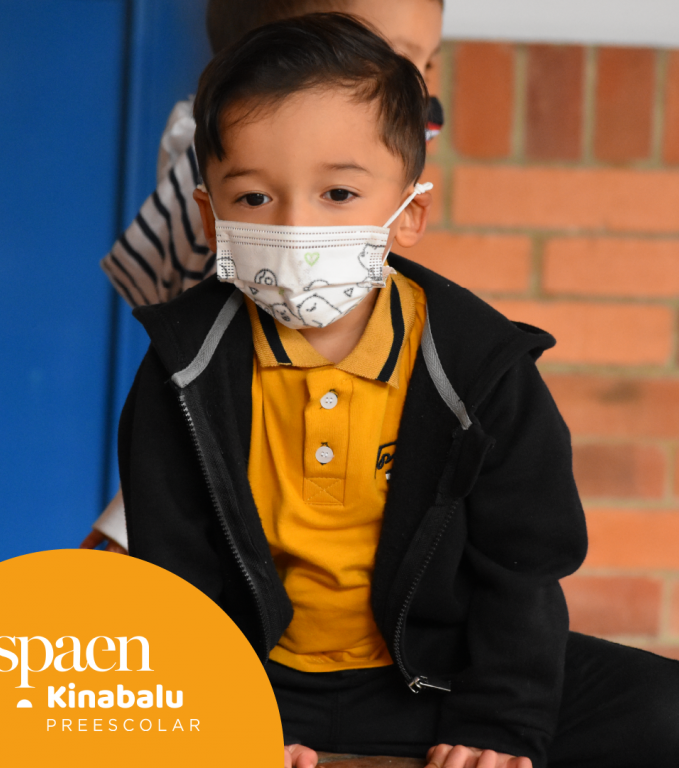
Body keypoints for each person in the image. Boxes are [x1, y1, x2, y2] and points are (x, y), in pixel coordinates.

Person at [118, 13, 679, 768]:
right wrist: (227, 714)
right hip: (267, 685)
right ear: (209, 218)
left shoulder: (480, 366)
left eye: (338, 193)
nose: (297, 226)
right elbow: (176, 573)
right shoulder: (183, 369)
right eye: (253, 199)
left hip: (435, 677)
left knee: (663, 709)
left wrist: (498, 721)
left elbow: (521, 566)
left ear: (408, 213)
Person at [81, 0, 445, 554]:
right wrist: (129, 526)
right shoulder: (246, 218)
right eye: (387, 54)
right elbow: (206, 390)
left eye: (428, 62)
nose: (421, 93)